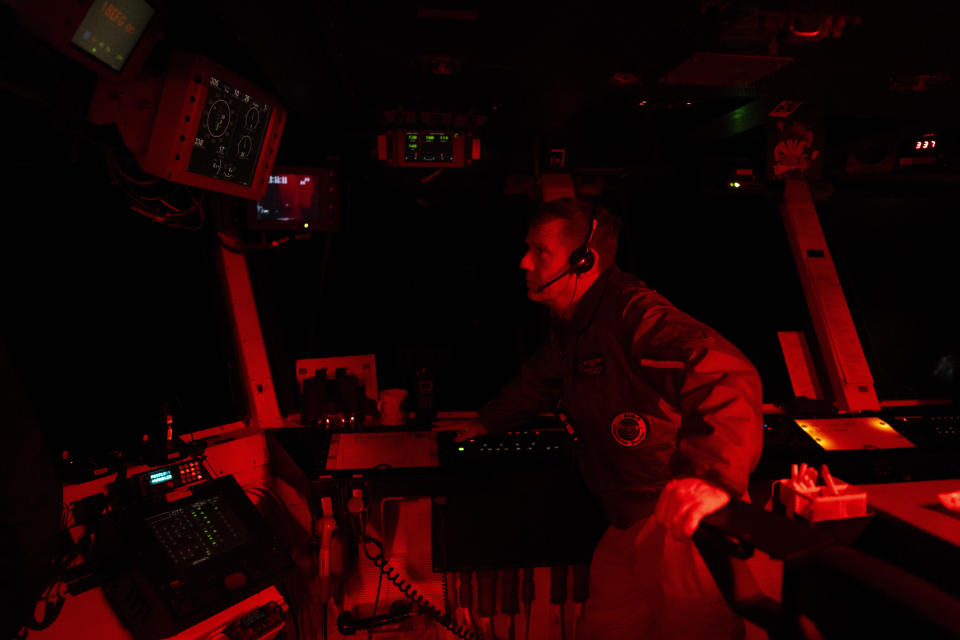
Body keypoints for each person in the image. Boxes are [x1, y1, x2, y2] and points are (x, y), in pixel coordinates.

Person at [436, 197, 763, 639]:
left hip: (679, 521)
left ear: (583, 260)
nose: (524, 261)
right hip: (627, 516)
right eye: (527, 248)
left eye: (540, 252)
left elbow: (723, 371)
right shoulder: (574, 324)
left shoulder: (632, 313)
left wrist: (711, 479)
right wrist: (490, 421)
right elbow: (543, 377)